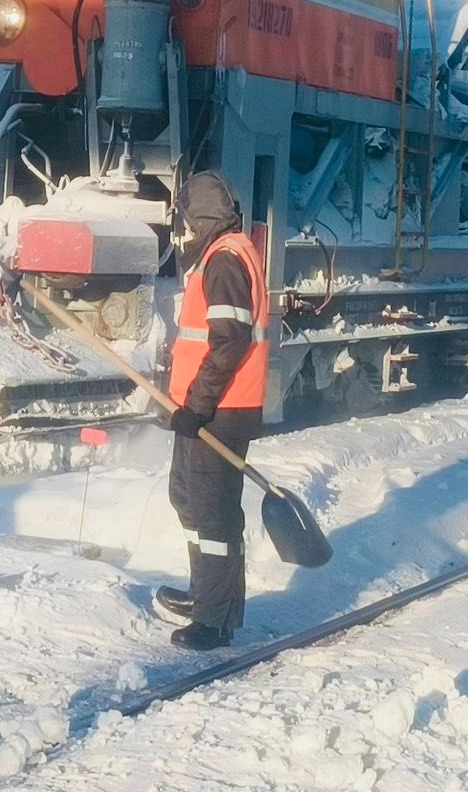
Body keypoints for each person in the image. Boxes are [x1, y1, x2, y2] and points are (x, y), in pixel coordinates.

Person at [155, 170, 268, 651]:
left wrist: (198, 405)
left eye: (183, 219)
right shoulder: (221, 253)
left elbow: (230, 341)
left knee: (215, 516)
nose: (181, 230)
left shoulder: (224, 260)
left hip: (220, 409)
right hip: (202, 407)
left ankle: (216, 623)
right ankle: (205, 594)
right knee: (188, 500)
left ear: (201, 218)